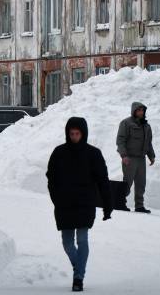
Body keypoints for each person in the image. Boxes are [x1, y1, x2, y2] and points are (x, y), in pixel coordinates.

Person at [47, 116, 113, 292]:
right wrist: (56, 198)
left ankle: (78, 277)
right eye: (71, 133)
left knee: (82, 239)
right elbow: (51, 178)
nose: (74, 136)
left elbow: (103, 181)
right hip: (64, 204)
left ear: (83, 134)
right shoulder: (59, 153)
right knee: (67, 243)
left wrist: (108, 205)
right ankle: (79, 267)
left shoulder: (93, 154)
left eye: (77, 133)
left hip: (85, 202)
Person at [116, 101, 155, 213]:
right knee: (127, 182)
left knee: (141, 183)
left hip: (141, 158)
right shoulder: (126, 123)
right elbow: (120, 140)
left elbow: (148, 143)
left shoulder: (146, 126)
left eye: (142, 110)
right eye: (138, 110)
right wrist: (124, 155)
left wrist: (151, 156)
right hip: (129, 158)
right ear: (134, 111)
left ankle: (139, 206)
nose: (141, 112)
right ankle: (120, 202)